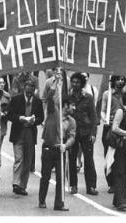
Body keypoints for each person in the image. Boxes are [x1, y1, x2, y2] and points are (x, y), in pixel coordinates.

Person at [38, 78, 74, 212]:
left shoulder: (71, 121)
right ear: (65, 105)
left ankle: (59, 203)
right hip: (48, 148)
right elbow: (49, 99)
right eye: (72, 106)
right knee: (45, 176)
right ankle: (42, 200)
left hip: (60, 150)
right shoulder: (53, 112)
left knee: (61, 178)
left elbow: (72, 136)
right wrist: (55, 86)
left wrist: (66, 145)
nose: (73, 108)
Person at [8, 79, 44, 195]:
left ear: (34, 90)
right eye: (28, 90)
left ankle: (22, 185)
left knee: (27, 160)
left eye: (32, 91)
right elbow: (10, 115)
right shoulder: (16, 99)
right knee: (19, 158)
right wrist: (20, 118)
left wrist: (34, 121)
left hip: (30, 132)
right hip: (18, 131)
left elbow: (41, 117)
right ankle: (16, 183)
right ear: (24, 88)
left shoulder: (38, 102)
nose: (29, 93)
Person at [67, 72, 98, 195]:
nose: (75, 84)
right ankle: (73, 185)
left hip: (86, 132)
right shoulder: (68, 97)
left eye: (77, 82)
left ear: (82, 84)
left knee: (89, 160)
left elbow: (94, 116)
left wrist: (93, 133)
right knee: (72, 159)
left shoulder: (88, 98)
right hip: (72, 133)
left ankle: (91, 186)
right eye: (73, 82)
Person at [108, 90, 126, 211]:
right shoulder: (121, 111)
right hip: (119, 146)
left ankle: (117, 199)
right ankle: (121, 201)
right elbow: (115, 128)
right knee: (120, 172)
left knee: (125, 171)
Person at [99, 74, 126, 192]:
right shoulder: (107, 94)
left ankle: (118, 182)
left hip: (121, 127)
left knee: (120, 156)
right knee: (109, 154)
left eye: (122, 80)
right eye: (118, 80)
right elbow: (103, 110)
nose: (120, 82)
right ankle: (110, 182)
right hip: (109, 127)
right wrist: (105, 119)